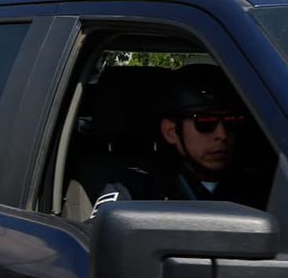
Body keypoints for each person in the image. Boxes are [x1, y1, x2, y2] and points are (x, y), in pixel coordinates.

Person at [88, 64, 269, 214]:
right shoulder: (137, 190)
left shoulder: (264, 188)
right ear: (171, 132)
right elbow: (99, 239)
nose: (222, 135)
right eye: (206, 122)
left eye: (232, 122)